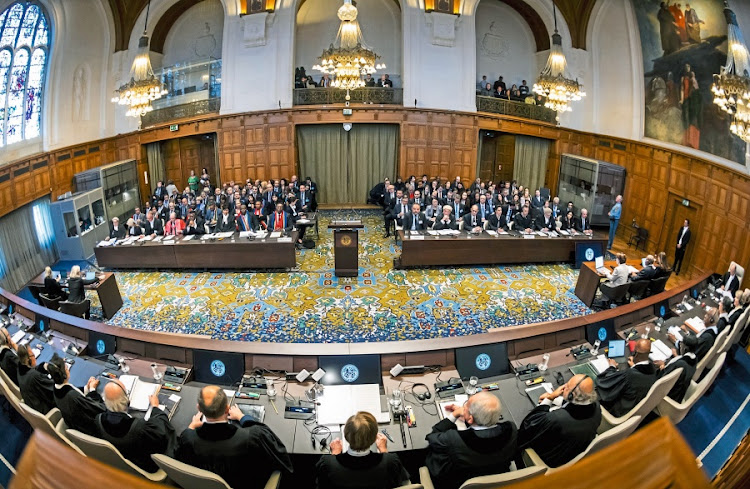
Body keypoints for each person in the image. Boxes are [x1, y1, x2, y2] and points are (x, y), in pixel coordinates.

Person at [175, 386, 292, 489]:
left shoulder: (188, 437)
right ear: (227, 409)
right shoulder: (252, 436)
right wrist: (242, 417)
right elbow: (280, 453)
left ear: (199, 409)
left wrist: (191, 427)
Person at [424, 392, 517, 489]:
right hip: (499, 479)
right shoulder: (511, 428)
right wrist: (468, 417)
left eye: (465, 407)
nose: (463, 409)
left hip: (463, 481)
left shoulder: (454, 439)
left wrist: (454, 414)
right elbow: (485, 432)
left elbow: (432, 437)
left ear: (470, 418)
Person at [518, 374, 601, 468]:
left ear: (571, 395)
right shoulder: (596, 407)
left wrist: (548, 400)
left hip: (552, 459)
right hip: (575, 451)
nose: (564, 386)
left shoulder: (556, 419)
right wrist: (554, 397)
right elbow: (576, 405)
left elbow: (528, 426)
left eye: (567, 386)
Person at [94, 379, 175, 474]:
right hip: (146, 468)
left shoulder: (98, 420)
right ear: (126, 400)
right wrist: (155, 407)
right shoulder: (139, 428)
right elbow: (162, 432)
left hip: (123, 465)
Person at [316, 411, 409, 489]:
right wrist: (384, 451)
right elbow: (401, 479)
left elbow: (322, 485)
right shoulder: (390, 461)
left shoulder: (327, 463)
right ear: (374, 438)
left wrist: (334, 456)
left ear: (346, 435)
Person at [596, 339, 657, 417]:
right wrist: (635, 366)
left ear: (636, 354)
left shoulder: (629, 375)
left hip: (618, 411)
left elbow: (604, 382)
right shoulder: (653, 369)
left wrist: (612, 366)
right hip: (634, 409)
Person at [47, 354, 105, 436]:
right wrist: (92, 390)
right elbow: (96, 408)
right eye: (66, 367)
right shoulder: (72, 396)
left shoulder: (56, 387)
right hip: (90, 429)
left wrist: (87, 388)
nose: (68, 369)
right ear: (63, 375)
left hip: (75, 424)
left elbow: (75, 392)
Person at [16, 345, 55, 414]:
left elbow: (32, 370)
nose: (35, 358)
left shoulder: (19, 369)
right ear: (28, 359)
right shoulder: (34, 376)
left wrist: (42, 367)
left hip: (33, 404)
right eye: (33, 355)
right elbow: (53, 388)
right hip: (45, 409)